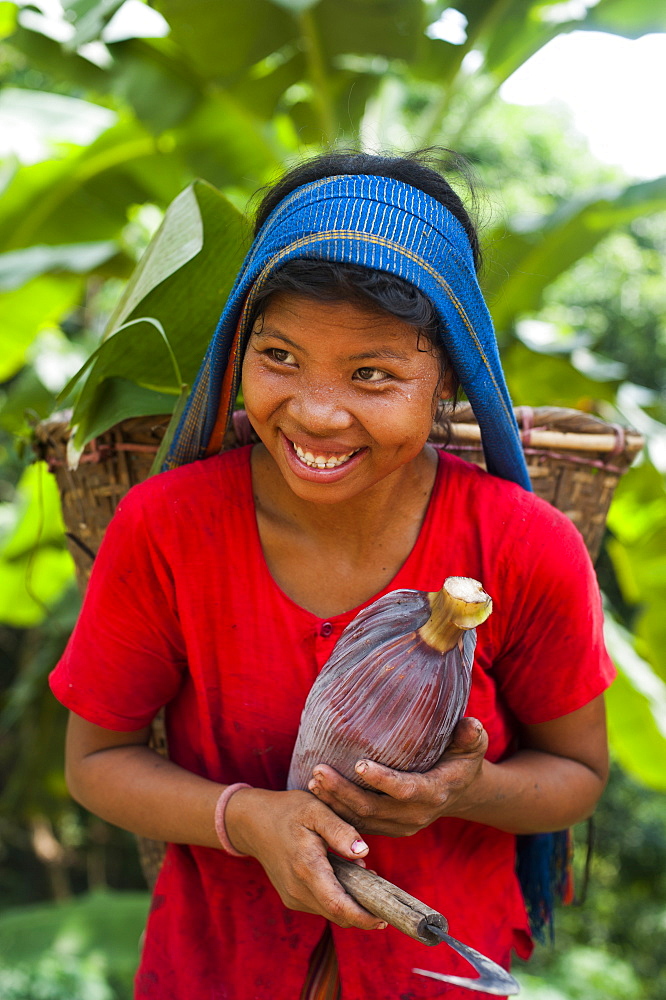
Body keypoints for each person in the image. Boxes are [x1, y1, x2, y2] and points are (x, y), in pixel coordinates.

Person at [50, 151, 615, 1000]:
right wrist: (243, 819)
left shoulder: (525, 547)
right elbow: (96, 760)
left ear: (449, 378)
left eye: (373, 375)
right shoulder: (167, 529)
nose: (316, 411)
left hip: (438, 975)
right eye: (279, 356)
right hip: (216, 970)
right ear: (239, 343)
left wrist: (468, 790)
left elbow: (576, 777)